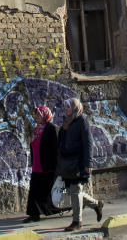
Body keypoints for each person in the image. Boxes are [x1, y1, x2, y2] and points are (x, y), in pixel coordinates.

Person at [56, 97, 103, 231]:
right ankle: (96, 204)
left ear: (75, 108)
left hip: (78, 161)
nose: (67, 110)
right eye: (65, 107)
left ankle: (77, 221)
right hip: (67, 162)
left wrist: (88, 163)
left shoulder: (82, 120)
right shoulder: (67, 121)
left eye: (69, 107)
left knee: (76, 190)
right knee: (74, 191)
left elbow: (88, 143)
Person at [24, 105, 59, 223]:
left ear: (45, 115)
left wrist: (56, 165)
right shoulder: (36, 129)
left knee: (51, 191)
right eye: (36, 115)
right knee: (34, 190)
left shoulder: (51, 128)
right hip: (37, 165)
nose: (36, 117)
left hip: (47, 166)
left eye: (39, 114)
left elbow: (55, 148)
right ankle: (34, 214)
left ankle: (73, 206)